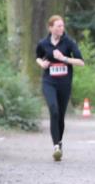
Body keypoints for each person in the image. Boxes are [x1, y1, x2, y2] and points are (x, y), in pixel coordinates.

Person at [35, 15, 84, 161]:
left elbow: (81, 62)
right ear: (50, 28)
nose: (61, 28)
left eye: (62, 26)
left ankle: (59, 142)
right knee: (53, 109)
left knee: (60, 115)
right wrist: (41, 63)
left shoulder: (68, 43)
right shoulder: (43, 43)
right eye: (58, 26)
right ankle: (56, 146)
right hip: (49, 82)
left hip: (64, 83)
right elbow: (38, 56)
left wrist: (64, 58)